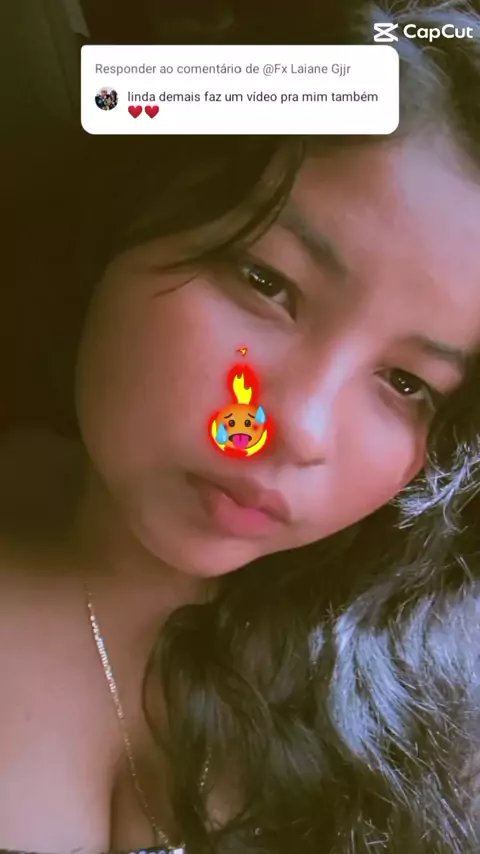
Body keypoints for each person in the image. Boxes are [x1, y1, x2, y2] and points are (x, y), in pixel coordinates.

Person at [2, 1, 480, 853]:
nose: (298, 427)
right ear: (131, 213)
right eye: (266, 281)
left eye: (408, 382)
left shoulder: (438, 694)